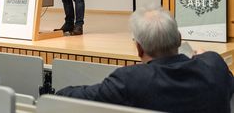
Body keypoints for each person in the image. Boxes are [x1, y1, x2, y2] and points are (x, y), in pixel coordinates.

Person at [56, 7, 234, 112]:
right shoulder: (214, 65)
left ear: (139, 48)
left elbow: (68, 98)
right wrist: (206, 58)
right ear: (179, 39)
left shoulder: (130, 80)